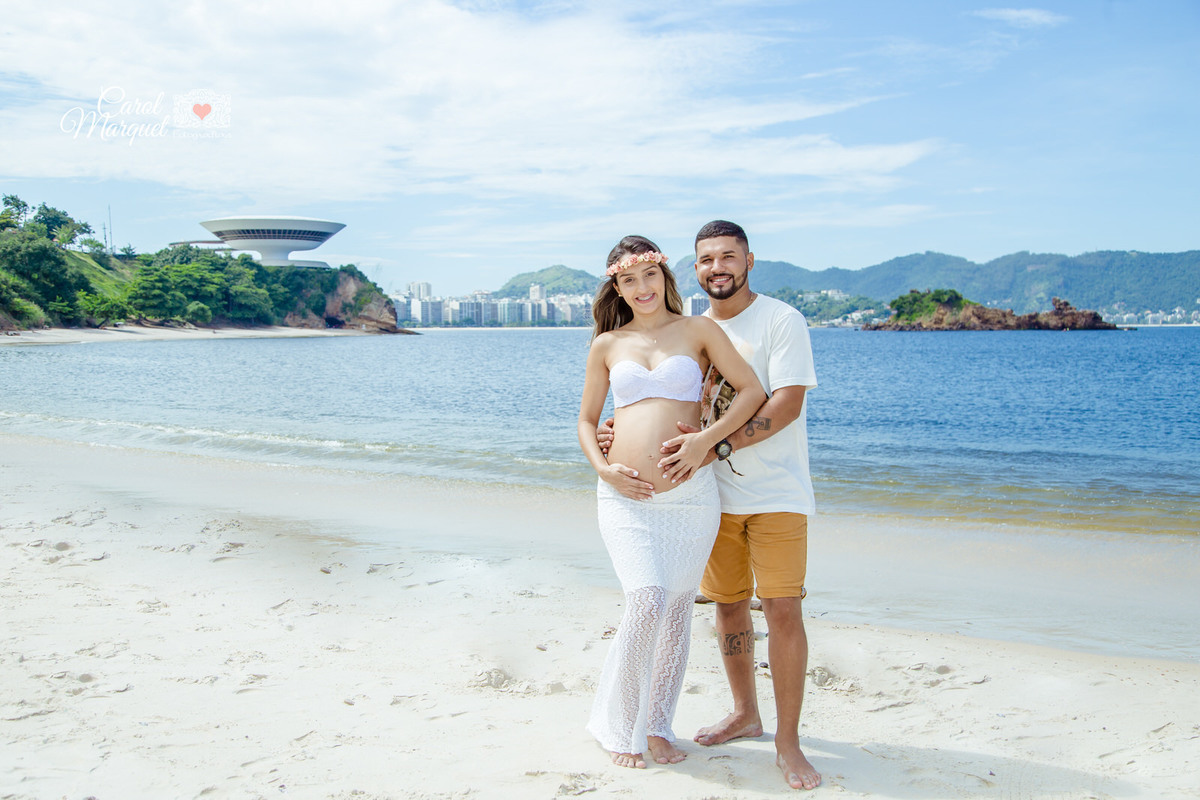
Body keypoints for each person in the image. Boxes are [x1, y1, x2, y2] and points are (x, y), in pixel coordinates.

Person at [599, 220, 821, 790]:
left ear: (750, 260)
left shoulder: (779, 320)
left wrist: (710, 444)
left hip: (771, 493)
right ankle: (745, 712)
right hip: (709, 496)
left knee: (781, 611)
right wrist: (614, 436)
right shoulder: (681, 328)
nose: (717, 267)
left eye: (728, 257)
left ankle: (788, 743)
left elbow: (785, 402)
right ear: (694, 269)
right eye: (707, 260)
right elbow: (641, 393)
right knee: (725, 608)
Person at [577, 235, 765, 771]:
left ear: (665, 277)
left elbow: (751, 391)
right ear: (617, 285)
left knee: (678, 609)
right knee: (647, 600)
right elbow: (587, 420)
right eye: (629, 280)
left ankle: (657, 725)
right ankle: (620, 724)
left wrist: (707, 441)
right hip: (625, 496)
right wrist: (604, 469)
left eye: (649, 276)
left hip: (691, 496)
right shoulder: (607, 345)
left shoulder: (698, 330)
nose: (641, 288)